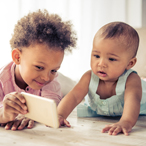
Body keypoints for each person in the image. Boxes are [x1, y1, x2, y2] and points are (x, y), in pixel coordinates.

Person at [57, 21, 146, 136]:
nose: (101, 64)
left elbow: (133, 100)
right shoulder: (89, 77)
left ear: (130, 63)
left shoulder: (132, 79)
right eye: (97, 56)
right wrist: (60, 115)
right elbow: (74, 96)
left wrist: (126, 121)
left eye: (111, 59)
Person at [0, 9, 77, 131]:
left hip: (64, 83)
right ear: (17, 57)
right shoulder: (2, 78)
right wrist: (4, 115)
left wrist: (34, 116)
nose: (46, 78)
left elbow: (51, 104)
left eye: (54, 70)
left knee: (73, 86)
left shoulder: (52, 79)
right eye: (39, 67)